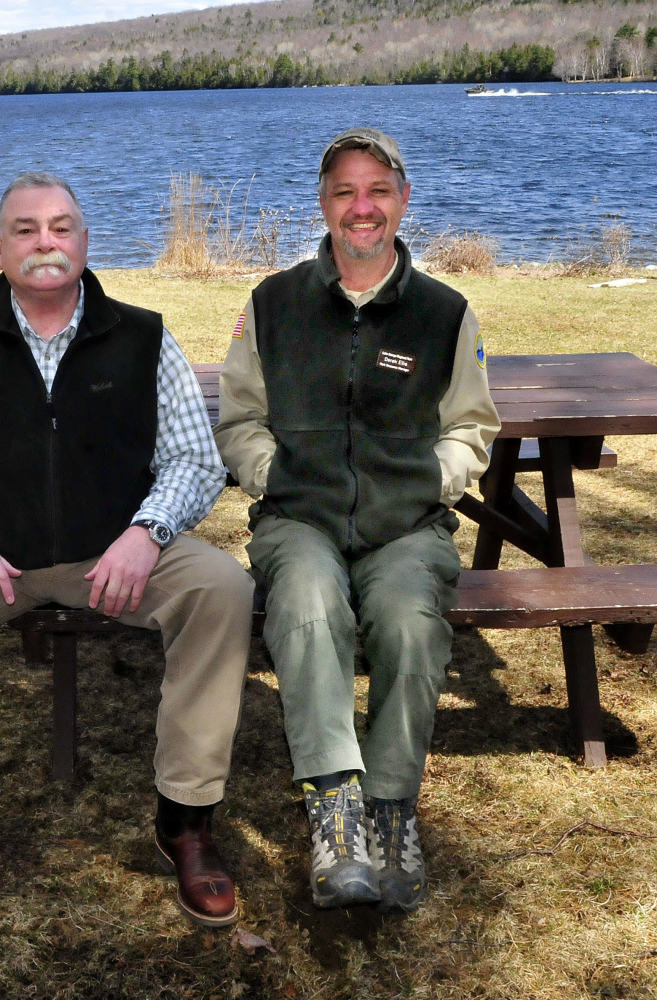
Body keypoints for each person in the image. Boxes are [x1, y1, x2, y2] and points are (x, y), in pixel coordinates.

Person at [0, 171, 254, 951]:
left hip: (117, 552)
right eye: (25, 229)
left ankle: (186, 821)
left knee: (222, 587)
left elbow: (195, 463)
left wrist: (148, 532)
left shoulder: (144, 334)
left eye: (61, 227)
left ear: (85, 242)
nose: (45, 242)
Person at [215, 128, 499, 914]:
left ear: (403, 202)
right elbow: (239, 420)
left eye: (378, 190)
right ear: (323, 204)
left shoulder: (445, 313)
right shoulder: (272, 305)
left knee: (410, 622)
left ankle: (391, 806)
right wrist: (280, 476)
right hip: (297, 519)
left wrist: (424, 486)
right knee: (306, 604)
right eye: (345, 191)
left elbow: (472, 429)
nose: (362, 207)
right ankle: (336, 810)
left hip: (407, 526)